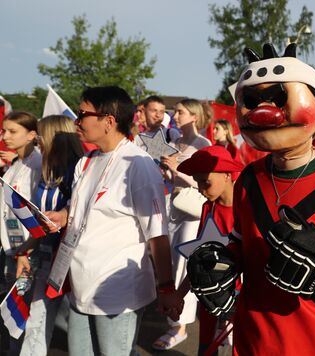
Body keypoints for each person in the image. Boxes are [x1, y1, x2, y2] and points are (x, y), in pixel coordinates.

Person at [186, 43, 315, 355]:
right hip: (255, 339)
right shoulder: (249, 178)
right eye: (252, 100)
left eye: (278, 97)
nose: (263, 109)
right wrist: (222, 262)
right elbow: (243, 242)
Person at [43, 86, 181, 355]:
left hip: (117, 293)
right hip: (81, 286)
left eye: (83, 114)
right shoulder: (86, 161)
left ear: (108, 121)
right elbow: (78, 210)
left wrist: (166, 287)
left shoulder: (137, 165)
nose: (77, 120)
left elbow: (157, 234)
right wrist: (60, 217)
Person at [15, 115, 84, 355]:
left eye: (41, 136)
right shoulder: (47, 172)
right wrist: (25, 251)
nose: (37, 142)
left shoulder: (77, 172)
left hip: (69, 261)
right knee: (37, 319)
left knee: (79, 326)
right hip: (45, 257)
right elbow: (39, 219)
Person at [154, 98, 211, 350]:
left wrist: (177, 169)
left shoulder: (203, 145)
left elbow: (204, 181)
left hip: (192, 213)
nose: (175, 115)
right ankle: (174, 320)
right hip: (174, 208)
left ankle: (181, 327)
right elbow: (172, 178)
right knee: (170, 263)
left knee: (183, 266)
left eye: (180, 112)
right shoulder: (176, 142)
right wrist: (167, 169)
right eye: (175, 111)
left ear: (194, 116)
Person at [176, 145, 244, 355]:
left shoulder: (246, 207)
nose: (200, 188)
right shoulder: (209, 207)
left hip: (240, 303)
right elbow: (199, 256)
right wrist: (180, 294)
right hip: (210, 300)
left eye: (205, 182)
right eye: (197, 181)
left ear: (226, 175)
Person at [0, 111, 42, 355]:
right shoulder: (17, 163)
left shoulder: (36, 165)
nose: (5, 136)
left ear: (31, 135)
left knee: (19, 318)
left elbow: (35, 216)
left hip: (26, 254)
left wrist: (26, 253)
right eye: (4, 130)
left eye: (12, 131)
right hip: (11, 250)